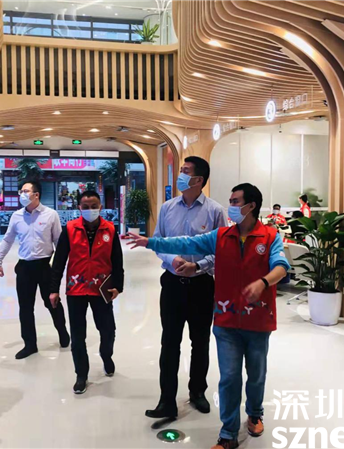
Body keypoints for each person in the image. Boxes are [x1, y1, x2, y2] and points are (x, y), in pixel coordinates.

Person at [128, 183, 290, 449]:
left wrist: (263, 282)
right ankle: (228, 434)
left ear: (251, 206)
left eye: (235, 202)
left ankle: (255, 413)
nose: (231, 206)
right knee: (229, 377)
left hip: (258, 319)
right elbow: (186, 242)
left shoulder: (270, 236)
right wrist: (151, 242)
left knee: (256, 374)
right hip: (226, 318)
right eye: (230, 201)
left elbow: (282, 267)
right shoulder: (221, 236)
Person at [145, 156, 226, 419]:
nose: (180, 174)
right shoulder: (168, 208)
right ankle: (166, 400)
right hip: (172, 285)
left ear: (198, 179)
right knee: (169, 342)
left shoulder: (215, 211)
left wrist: (198, 266)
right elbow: (158, 241)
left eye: (185, 171)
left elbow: (222, 249)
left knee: (200, 342)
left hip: (202, 285)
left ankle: (197, 392)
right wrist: (172, 259)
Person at [50, 190, 124, 394]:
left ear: (100, 207)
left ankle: (106, 355)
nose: (90, 210)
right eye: (85, 207)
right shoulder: (70, 229)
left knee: (108, 330)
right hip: (76, 289)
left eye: (94, 206)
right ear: (79, 208)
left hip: (102, 289)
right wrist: (53, 289)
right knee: (77, 335)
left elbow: (117, 260)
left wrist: (118, 286)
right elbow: (59, 261)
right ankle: (81, 374)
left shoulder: (110, 229)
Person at [0, 181, 69, 360]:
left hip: (44, 266)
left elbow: (59, 242)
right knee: (25, 307)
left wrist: (62, 266)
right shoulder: (17, 216)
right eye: (21, 191)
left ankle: (63, 332)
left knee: (52, 302)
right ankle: (30, 344)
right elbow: (8, 239)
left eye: (26, 191)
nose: (22, 194)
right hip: (25, 267)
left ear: (36, 195)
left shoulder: (50, 215)